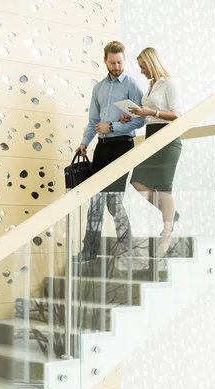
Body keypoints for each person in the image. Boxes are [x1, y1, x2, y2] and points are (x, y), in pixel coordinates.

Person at [75, 41, 145, 261]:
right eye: (112, 62)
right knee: (95, 202)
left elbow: (140, 120)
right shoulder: (99, 88)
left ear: (124, 59)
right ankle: (89, 251)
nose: (117, 66)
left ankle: (127, 248)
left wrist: (113, 126)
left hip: (123, 146)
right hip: (101, 148)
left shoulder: (131, 86)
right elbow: (93, 121)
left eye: (120, 62)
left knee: (113, 201)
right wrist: (84, 143)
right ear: (105, 60)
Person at [120, 47, 182, 257]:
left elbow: (176, 114)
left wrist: (151, 111)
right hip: (151, 137)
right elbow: (147, 116)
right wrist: (133, 116)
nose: (142, 71)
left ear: (152, 63)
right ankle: (170, 214)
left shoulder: (169, 83)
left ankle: (167, 234)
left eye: (144, 66)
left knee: (164, 188)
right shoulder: (150, 86)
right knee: (137, 181)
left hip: (167, 138)